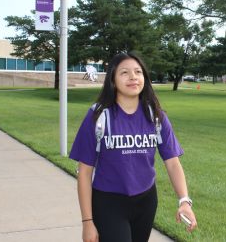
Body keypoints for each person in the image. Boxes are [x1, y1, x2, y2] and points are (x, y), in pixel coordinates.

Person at [69, 52, 197, 242]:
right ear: (112, 79)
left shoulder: (156, 116)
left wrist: (184, 201)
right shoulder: (99, 116)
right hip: (108, 202)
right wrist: (88, 221)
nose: (133, 77)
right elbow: (85, 172)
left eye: (138, 72)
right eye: (124, 72)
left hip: (146, 201)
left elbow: (172, 162)